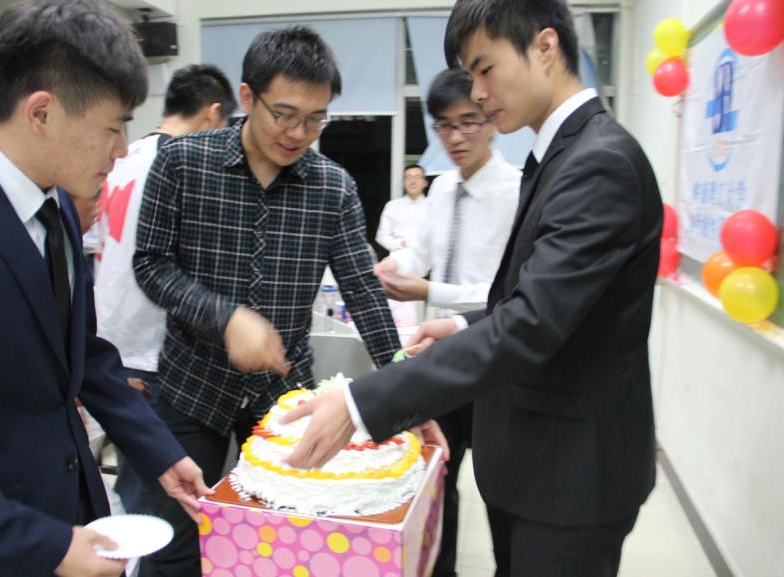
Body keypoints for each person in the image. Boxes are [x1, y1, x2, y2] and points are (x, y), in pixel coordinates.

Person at [284, 1, 663, 576]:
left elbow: (531, 324)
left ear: (545, 47)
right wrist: (463, 325)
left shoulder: (598, 163)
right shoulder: (563, 154)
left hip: (573, 474)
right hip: (535, 456)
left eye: (485, 69)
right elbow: (543, 300)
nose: (480, 94)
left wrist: (363, 403)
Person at [0, 2, 210, 576]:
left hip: (71, 513)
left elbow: (83, 355)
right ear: (42, 112)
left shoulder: (55, 209)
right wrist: (44, 546)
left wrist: (159, 452)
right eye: (113, 126)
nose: (121, 149)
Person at [133, 26, 401, 577]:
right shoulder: (182, 163)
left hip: (284, 397)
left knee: (284, 538)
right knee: (179, 543)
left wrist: (404, 385)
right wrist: (224, 317)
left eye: (316, 119)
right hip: (191, 388)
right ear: (247, 97)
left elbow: (363, 289)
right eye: (284, 114)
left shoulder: (333, 188)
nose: (299, 133)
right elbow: (150, 264)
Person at [375, 67, 521, 577]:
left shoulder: (517, 191)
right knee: (437, 477)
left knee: (502, 488)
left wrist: (428, 291)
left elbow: (506, 295)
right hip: (443, 357)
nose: (456, 137)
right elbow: (422, 252)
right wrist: (396, 265)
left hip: (498, 355)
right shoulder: (440, 190)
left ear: (492, 120)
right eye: (444, 125)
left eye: (468, 122)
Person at [94, 64, 236, 518]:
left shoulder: (119, 158)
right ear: (213, 114)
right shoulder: (183, 166)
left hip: (108, 350)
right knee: (167, 504)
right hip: (158, 354)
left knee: (134, 486)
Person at [375, 164, 429, 253]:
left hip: (427, 257)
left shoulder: (433, 206)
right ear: (403, 182)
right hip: (399, 256)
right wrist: (399, 244)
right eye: (408, 177)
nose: (413, 181)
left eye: (417, 177)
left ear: (425, 182)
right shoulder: (392, 206)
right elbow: (381, 236)